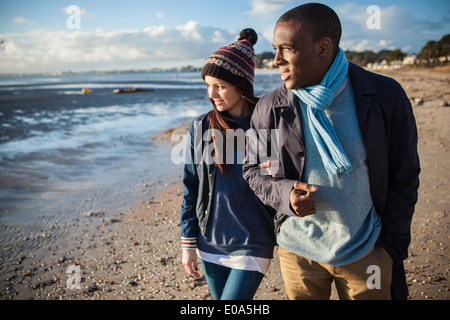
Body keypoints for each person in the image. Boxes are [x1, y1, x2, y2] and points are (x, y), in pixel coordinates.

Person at [243, 3, 420, 300]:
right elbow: (253, 170)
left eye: (286, 49)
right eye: (275, 49)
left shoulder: (384, 95)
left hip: (368, 251)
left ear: (323, 47)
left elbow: (406, 175)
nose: (275, 60)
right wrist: (285, 194)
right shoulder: (270, 107)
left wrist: (390, 247)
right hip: (297, 253)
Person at [180, 28, 276, 300]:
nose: (212, 93)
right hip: (209, 241)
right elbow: (191, 186)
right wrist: (188, 242)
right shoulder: (201, 126)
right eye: (208, 85)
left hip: (253, 241)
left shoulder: (267, 125)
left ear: (241, 85)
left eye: (220, 86)